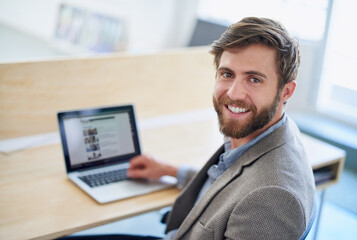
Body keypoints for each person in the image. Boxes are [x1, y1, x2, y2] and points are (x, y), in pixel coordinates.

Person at [58, 17, 315, 240]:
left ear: (285, 92)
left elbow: (250, 194)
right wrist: (169, 170)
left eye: (254, 79)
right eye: (227, 74)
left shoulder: (272, 201)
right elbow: (231, 187)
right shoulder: (273, 132)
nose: (234, 93)